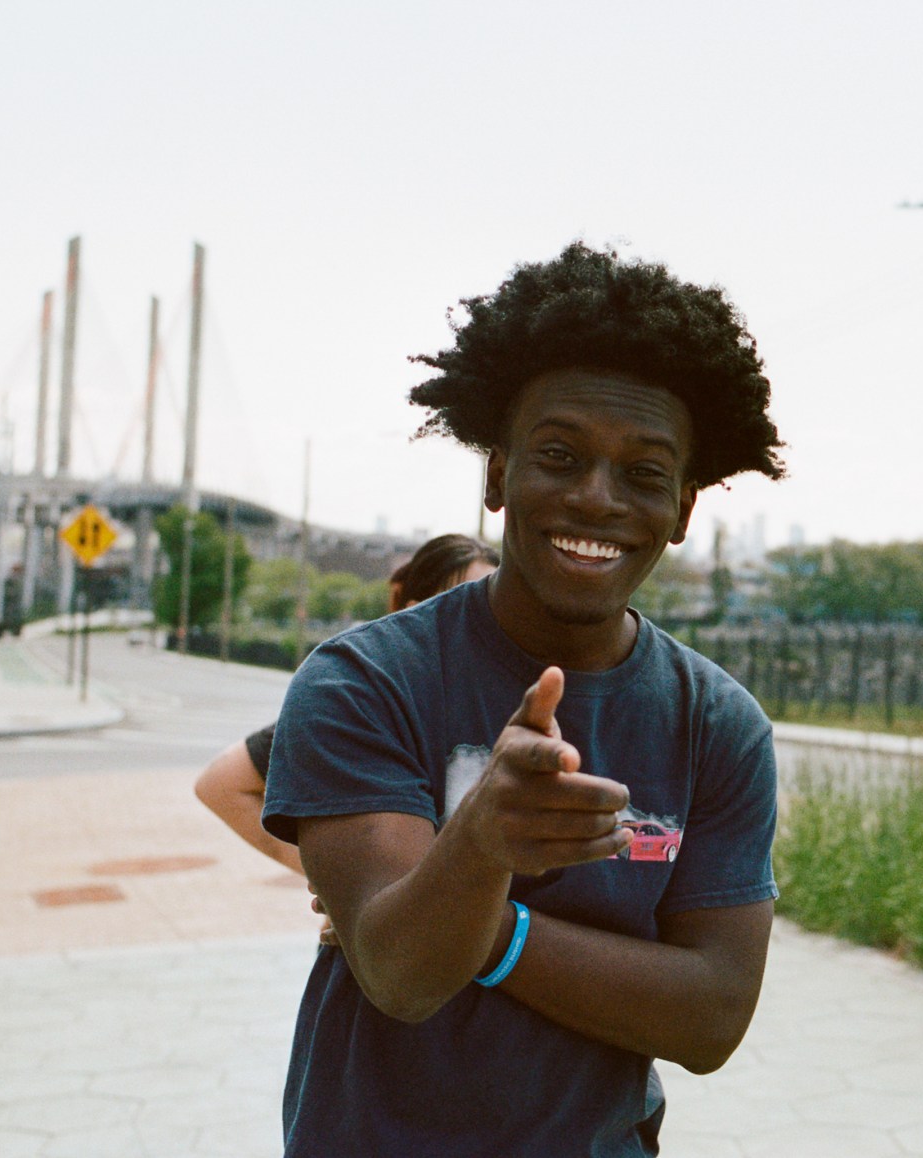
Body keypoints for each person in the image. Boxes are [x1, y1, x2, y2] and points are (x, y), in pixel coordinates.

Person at [264, 242, 786, 1156]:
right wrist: (479, 845)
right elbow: (399, 973)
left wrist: (493, 924)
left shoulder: (719, 725)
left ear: (686, 507)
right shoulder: (364, 681)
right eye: (559, 454)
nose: (596, 498)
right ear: (498, 475)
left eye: (644, 472)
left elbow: (713, 1019)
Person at [193, 533, 500, 872]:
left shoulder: (515, 697)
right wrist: (333, 878)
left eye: (489, 603)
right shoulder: (370, 704)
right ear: (416, 612)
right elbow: (221, 784)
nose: (481, 620)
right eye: (462, 602)